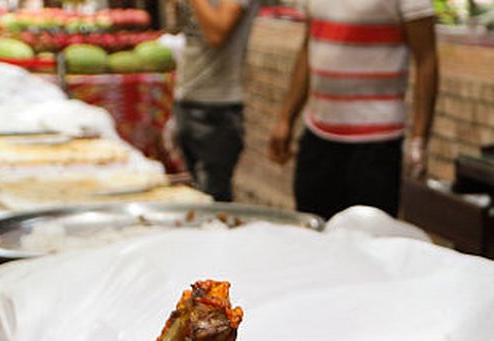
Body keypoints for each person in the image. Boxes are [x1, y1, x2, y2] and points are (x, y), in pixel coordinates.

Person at [267, 0, 438, 220]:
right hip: (317, 138)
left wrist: (419, 140)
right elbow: (309, 46)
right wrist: (285, 118)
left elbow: (427, 60)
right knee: (314, 239)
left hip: (375, 146)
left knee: (368, 242)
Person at [173, 0, 259, 202]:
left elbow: (217, 33)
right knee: (192, 197)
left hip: (216, 108)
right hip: (188, 98)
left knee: (211, 203)